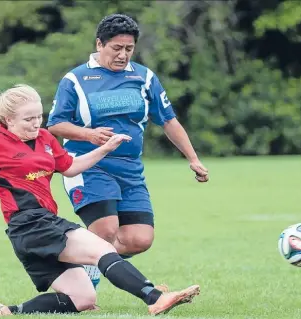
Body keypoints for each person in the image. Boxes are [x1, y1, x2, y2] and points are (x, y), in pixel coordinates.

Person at [0, 84, 200, 317]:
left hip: (39, 227)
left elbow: (70, 167)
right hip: (30, 225)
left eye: (39, 116)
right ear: (8, 120)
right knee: (102, 249)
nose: (36, 123)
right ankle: (152, 297)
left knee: (83, 299)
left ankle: (10, 311)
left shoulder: (44, 139)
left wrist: (105, 148)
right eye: (28, 119)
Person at [47, 14, 209, 288]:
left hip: (130, 170)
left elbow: (168, 119)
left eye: (129, 49)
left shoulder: (144, 77)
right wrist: (89, 134)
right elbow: (55, 124)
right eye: (116, 48)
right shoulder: (75, 79)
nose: (123, 55)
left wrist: (192, 158)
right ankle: (85, 295)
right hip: (89, 165)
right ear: (100, 44)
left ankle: (76, 261)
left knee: (139, 239)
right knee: (105, 230)